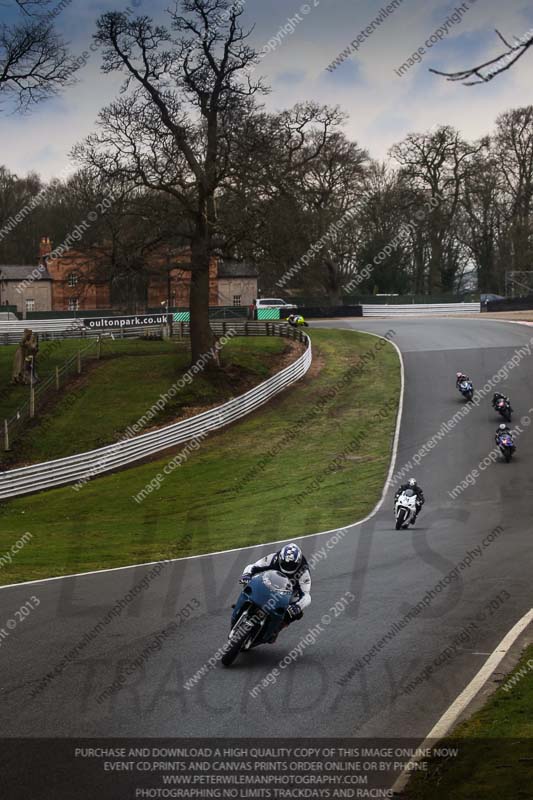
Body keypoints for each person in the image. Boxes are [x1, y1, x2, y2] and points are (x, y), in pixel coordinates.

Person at [240, 543, 311, 642]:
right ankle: (243, 603)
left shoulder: (303, 572)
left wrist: (297, 606)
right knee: (250, 581)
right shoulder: (273, 558)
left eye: (291, 566)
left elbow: (306, 595)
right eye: (286, 564)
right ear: (280, 558)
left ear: (298, 563)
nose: (288, 567)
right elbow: (253, 566)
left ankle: (276, 629)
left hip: (289, 591)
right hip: (269, 581)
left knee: (297, 613)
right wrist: (246, 575)